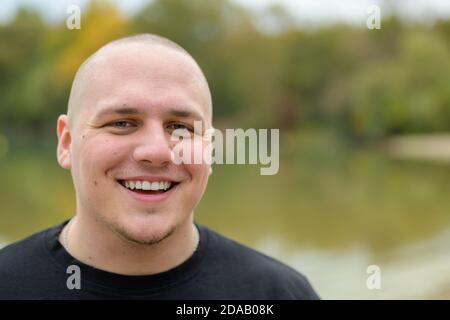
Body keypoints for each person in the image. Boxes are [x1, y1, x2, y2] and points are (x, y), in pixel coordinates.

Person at [0, 34, 319, 299]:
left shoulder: (275, 294)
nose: (157, 151)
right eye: (122, 122)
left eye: (181, 127)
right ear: (67, 142)